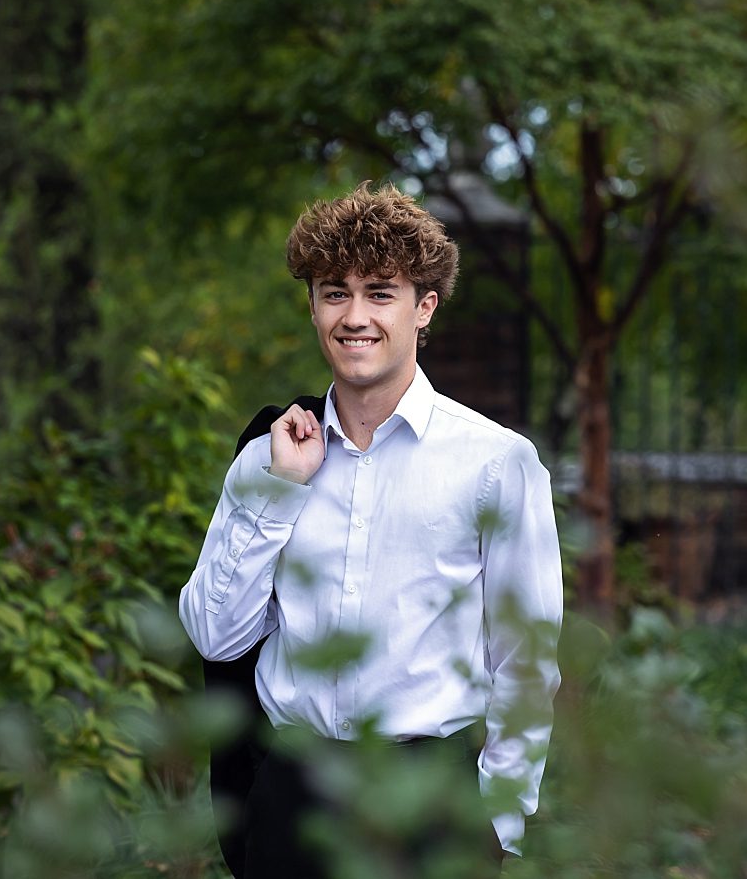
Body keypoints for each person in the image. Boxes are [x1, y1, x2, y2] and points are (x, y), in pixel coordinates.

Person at [178, 183, 563, 877]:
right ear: (313, 305)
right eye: (334, 292)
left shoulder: (496, 464)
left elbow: (525, 662)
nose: (355, 316)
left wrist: (500, 824)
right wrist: (278, 489)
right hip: (292, 801)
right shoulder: (270, 457)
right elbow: (214, 633)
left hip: (430, 804)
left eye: (380, 292)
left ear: (425, 307)